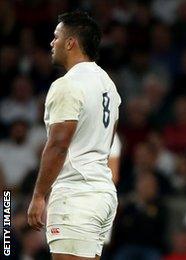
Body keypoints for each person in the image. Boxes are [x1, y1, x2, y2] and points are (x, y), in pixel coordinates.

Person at [27, 11, 121, 259]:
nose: (52, 43)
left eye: (56, 37)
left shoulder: (68, 84)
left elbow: (58, 144)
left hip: (76, 195)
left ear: (71, 43)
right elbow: (109, 140)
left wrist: (38, 195)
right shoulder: (107, 84)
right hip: (103, 194)